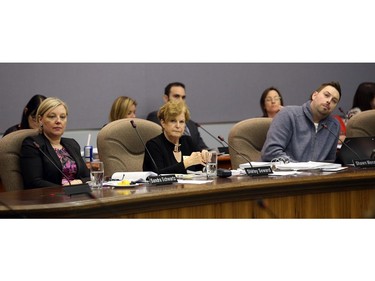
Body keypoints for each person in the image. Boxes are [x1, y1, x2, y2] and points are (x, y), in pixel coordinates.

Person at [261, 81, 342, 163]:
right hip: (285, 174)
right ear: (314, 95)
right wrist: (300, 168)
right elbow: (270, 152)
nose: (329, 101)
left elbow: (330, 162)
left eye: (334, 101)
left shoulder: (334, 126)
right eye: (326, 95)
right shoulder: (288, 114)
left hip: (317, 175)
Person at [20, 97, 90, 189]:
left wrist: (79, 182)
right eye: (52, 116)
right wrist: (65, 189)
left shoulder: (72, 144)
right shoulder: (33, 144)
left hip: (79, 195)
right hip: (51, 199)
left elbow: (88, 176)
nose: (58, 121)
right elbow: (34, 182)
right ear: (40, 119)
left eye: (62, 117)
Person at [143, 101, 209, 174]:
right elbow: (157, 175)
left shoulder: (188, 141)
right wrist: (185, 163)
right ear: (163, 123)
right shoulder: (153, 145)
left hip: (188, 185)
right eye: (173, 121)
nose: (178, 126)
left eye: (181, 122)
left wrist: (205, 157)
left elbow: (201, 168)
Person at [146, 82, 208, 150]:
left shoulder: (192, 124)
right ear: (166, 98)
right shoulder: (155, 117)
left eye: (183, 97)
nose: (181, 100)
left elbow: (202, 147)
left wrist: (208, 154)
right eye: (176, 96)